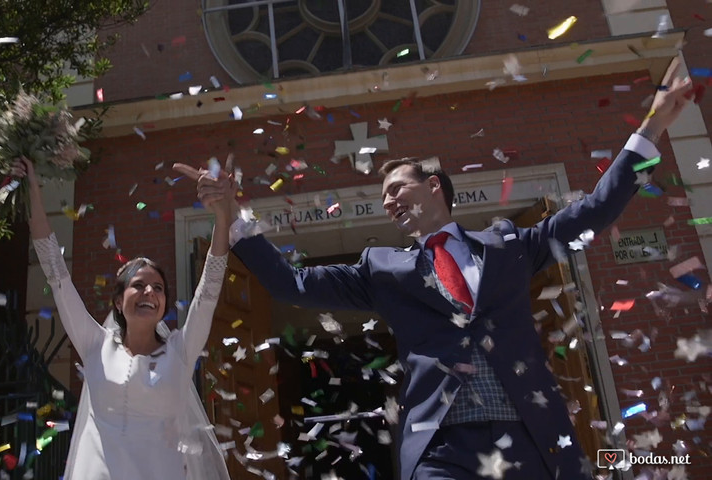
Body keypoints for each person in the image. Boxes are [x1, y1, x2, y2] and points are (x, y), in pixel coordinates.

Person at [190, 75, 696, 479]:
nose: (387, 200)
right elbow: (290, 285)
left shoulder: (510, 246)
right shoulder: (383, 270)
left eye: (396, 188)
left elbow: (592, 211)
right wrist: (232, 214)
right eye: (383, 196)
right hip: (442, 447)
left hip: (527, 435)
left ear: (433, 186)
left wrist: (651, 127)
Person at [18, 156, 231, 479]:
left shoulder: (180, 351)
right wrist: (33, 189)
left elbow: (210, 288)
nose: (149, 292)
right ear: (118, 301)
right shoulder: (93, 344)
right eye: (139, 285)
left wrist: (223, 213)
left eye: (158, 288)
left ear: (164, 303)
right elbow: (54, 271)